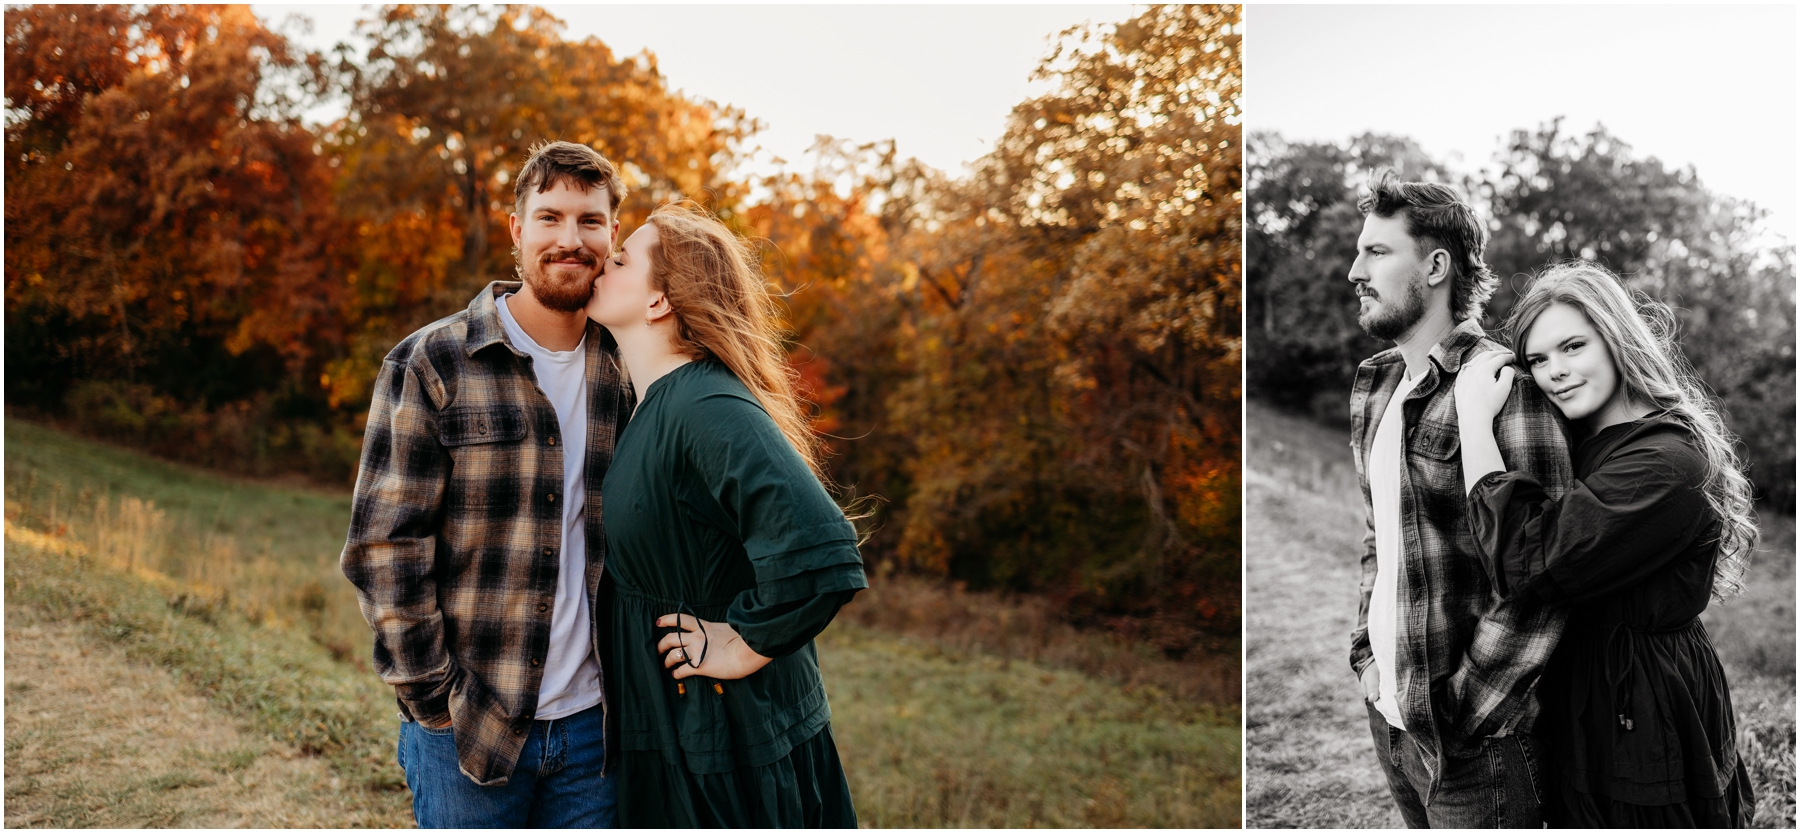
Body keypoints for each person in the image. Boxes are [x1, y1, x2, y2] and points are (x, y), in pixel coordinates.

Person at [340, 141, 633, 827]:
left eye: (590, 221)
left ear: (614, 235)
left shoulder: (629, 369)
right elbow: (384, 545)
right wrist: (435, 702)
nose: (570, 238)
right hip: (469, 728)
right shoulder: (433, 360)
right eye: (550, 217)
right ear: (516, 230)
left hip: (600, 734)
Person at [584, 199, 865, 827]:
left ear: (659, 302)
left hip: (723, 737)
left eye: (623, 258)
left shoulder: (705, 403)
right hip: (681, 727)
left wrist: (744, 645)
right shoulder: (658, 401)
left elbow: (821, 549)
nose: (604, 259)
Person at [1454, 261, 1757, 827]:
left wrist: (1473, 423)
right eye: (1538, 360)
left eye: (1572, 347)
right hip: (1587, 685)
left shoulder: (1664, 463)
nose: (1555, 373)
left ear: (1616, 339)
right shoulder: (1588, 443)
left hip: (1641, 701)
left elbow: (1526, 562)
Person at [1345, 169, 1575, 827]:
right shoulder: (1376, 384)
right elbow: (1378, 537)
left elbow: (1540, 578)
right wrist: (1366, 653)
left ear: (1437, 265)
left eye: (1377, 252)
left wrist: (1464, 710)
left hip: (1477, 748)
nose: (1355, 271)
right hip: (1391, 719)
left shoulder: (1502, 386)